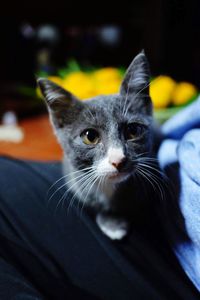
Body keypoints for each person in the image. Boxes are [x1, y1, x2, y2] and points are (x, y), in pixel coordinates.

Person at [1, 98, 200, 299]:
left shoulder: (157, 174)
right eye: (91, 136)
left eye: (131, 132)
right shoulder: (77, 181)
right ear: (59, 121)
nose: (119, 156)